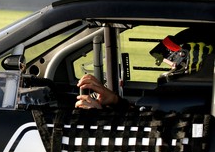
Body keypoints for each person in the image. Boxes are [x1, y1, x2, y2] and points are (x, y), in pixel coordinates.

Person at [75, 27, 214, 110]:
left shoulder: (176, 102)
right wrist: (115, 101)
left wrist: (98, 115)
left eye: (173, 62)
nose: (170, 66)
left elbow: (144, 127)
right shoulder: (197, 102)